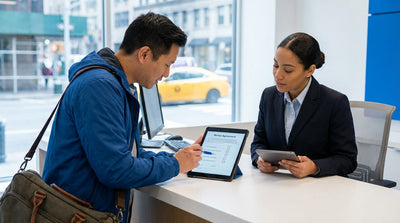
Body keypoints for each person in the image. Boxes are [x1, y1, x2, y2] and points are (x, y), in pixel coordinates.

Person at [43, 12, 203, 222]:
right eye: (167, 64)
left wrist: (176, 158)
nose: (167, 74)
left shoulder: (117, 85)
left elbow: (128, 154)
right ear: (144, 54)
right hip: (76, 215)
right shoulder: (99, 86)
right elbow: (116, 170)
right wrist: (175, 165)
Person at [250, 32, 357, 178]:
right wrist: (259, 160)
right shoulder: (269, 96)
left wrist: (314, 167)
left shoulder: (334, 102)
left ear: (310, 70)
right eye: (276, 65)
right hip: (278, 186)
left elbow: (347, 159)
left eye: (288, 70)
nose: (278, 75)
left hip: (321, 190)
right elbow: (258, 143)